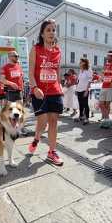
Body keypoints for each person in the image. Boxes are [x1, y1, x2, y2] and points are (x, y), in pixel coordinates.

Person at [28, 19, 64, 166]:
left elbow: (57, 71)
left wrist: (60, 86)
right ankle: (37, 137)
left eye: (53, 30)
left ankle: (51, 152)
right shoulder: (35, 49)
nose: (51, 32)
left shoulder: (58, 51)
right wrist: (35, 88)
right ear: (42, 34)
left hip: (54, 91)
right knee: (42, 124)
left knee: (54, 122)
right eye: (48, 30)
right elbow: (30, 73)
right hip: (39, 91)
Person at [74, 57, 93, 125]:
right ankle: (81, 116)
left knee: (85, 103)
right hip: (79, 89)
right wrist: (76, 89)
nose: (79, 63)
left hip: (84, 89)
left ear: (84, 63)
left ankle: (87, 118)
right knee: (80, 104)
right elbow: (79, 81)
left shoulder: (89, 71)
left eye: (81, 62)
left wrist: (86, 91)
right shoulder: (80, 71)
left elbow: (89, 81)